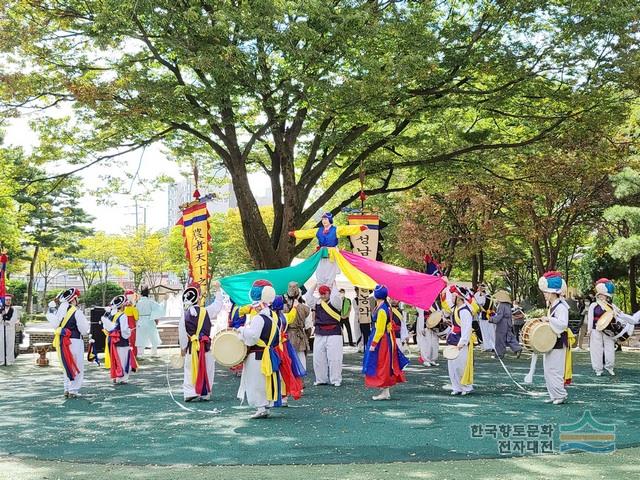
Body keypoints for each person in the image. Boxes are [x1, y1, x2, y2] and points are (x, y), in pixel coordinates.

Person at [236, 280, 283, 418]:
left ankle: (261, 406)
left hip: (257, 355)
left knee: (255, 381)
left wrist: (241, 330)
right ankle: (265, 406)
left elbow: (253, 337)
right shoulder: (274, 319)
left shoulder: (259, 319)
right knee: (264, 381)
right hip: (268, 354)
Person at [289, 212, 367, 286]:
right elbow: (307, 233)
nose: (324, 221)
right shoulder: (318, 230)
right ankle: (321, 286)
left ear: (330, 220)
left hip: (332, 254)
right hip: (322, 253)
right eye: (323, 219)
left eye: (325, 219)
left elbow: (347, 229)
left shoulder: (336, 229)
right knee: (320, 271)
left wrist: (359, 228)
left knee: (330, 272)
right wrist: (295, 233)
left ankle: (329, 287)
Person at [179, 282, 223, 402]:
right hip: (205, 345)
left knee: (189, 368)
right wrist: (218, 290)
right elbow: (218, 305)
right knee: (208, 368)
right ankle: (206, 393)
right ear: (198, 298)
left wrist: (183, 348)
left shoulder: (184, 314)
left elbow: (182, 333)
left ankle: (190, 392)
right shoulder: (206, 311)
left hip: (191, 347)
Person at [363, 285, 409, 400]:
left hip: (381, 339)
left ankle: (384, 391)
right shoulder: (383, 306)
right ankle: (385, 391)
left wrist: (373, 344)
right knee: (385, 364)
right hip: (383, 338)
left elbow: (380, 329)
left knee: (382, 364)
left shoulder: (382, 309)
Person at [46, 288, 90, 398]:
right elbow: (84, 330)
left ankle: (66, 388)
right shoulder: (76, 311)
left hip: (62, 341)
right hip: (74, 341)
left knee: (66, 365)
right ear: (74, 299)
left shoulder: (59, 311)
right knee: (76, 365)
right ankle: (73, 390)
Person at [538, 271, 573, 405]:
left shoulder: (561, 307)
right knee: (548, 369)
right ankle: (554, 394)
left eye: (546, 292)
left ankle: (561, 395)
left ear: (553, 292)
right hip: (552, 340)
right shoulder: (553, 305)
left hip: (559, 341)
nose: (544, 294)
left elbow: (563, 324)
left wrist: (549, 319)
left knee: (555, 369)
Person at [587, 279, 631, 376]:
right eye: (600, 295)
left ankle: (609, 366)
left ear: (607, 296)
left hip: (609, 330)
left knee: (609, 348)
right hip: (596, 329)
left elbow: (620, 314)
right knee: (596, 349)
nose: (602, 297)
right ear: (598, 295)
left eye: (604, 295)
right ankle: (598, 369)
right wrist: (589, 330)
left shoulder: (611, 306)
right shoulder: (593, 305)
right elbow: (590, 318)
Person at [304, 281, 344, 386]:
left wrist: (334, 284)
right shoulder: (317, 302)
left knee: (334, 358)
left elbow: (336, 296)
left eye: (324, 293)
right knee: (318, 358)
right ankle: (321, 379)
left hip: (334, 332)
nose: (322, 296)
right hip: (320, 332)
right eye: (320, 294)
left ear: (329, 293)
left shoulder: (336, 302)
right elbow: (307, 296)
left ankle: (336, 379)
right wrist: (316, 284)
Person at [272, 295, 306, 404]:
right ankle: (284, 397)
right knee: (285, 370)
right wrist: (295, 306)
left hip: (273, 347)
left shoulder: (270, 317)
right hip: (284, 347)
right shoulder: (284, 317)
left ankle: (275, 396)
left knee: (274, 371)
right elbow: (292, 315)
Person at [446, 285, 476, 395]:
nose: (452, 298)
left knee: (461, 365)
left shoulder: (464, 311)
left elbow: (466, 328)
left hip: (460, 341)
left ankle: (466, 387)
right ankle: (456, 387)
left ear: (459, 297)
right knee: (452, 365)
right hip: (453, 339)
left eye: (453, 296)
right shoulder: (456, 309)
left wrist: (462, 343)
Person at [101, 295, 133, 385]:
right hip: (121, 340)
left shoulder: (110, 315)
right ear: (122, 305)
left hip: (111, 339)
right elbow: (124, 330)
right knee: (123, 359)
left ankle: (115, 377)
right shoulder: (123, 316)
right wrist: (129, 331)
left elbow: (105, 327)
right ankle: (122, 378)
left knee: (114, 358)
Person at [283, 282, 311, 370]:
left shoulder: (281, 307)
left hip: (285, 338)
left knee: (287, 364)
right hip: (300, 337)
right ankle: (300, 383)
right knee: (301, 364)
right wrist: (306, 337)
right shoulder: (305, 308)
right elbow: (308, 327)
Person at [490, 290, 522, 359]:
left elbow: (499, 316)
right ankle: (517, 348)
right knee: (509, 337)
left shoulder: (501, 305)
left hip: (502, 324)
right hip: (508, 323)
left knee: (500, 339)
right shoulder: (508, 305)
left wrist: (491, 319)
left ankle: (499, 354)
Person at [135, 287, 164, 357]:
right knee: (153, 336)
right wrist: (164, 302)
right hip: (149, 320)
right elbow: (158, 308)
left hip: (140, 321)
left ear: (141, 294)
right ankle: (154, 352)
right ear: (148, 294)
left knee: (140, 337)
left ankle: (140, 353)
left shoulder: (138, 303)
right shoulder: (150, 302)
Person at [474, 284, 495, 351]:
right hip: (487, 315)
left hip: (487, 315)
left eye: (481, 287)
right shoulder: (480, 295)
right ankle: (489, 346)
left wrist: (480, 294)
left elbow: (479, 303)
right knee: (488, 331)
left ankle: (490, 346)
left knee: (488, 331)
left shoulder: (486, 296)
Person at [1, 295, 20, 366]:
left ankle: (10, 360)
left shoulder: (13, 309)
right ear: (4, 301)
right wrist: (2, 321)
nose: (8, 301)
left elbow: (15, 318)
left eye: (9, 300)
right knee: (1, 345)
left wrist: (8, 322)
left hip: (10, 329)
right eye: (7, 300)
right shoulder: (1, 309)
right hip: (2, 329)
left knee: (10, 344)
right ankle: (2, 360)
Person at [123, 289, 139, 371]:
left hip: (124, 326)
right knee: (133, 341)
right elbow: (136, 317)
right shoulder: (133, 308)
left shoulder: (123, 307)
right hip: (132, 326)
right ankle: (133, 356)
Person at [353, 287, 373, 352]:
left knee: (366, 333)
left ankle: (366, 346)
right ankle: (359, 346)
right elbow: (356, 309)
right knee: (358, 332)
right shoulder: (355, 300)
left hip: (366, 319)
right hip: (358, 318)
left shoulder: (369, 299)